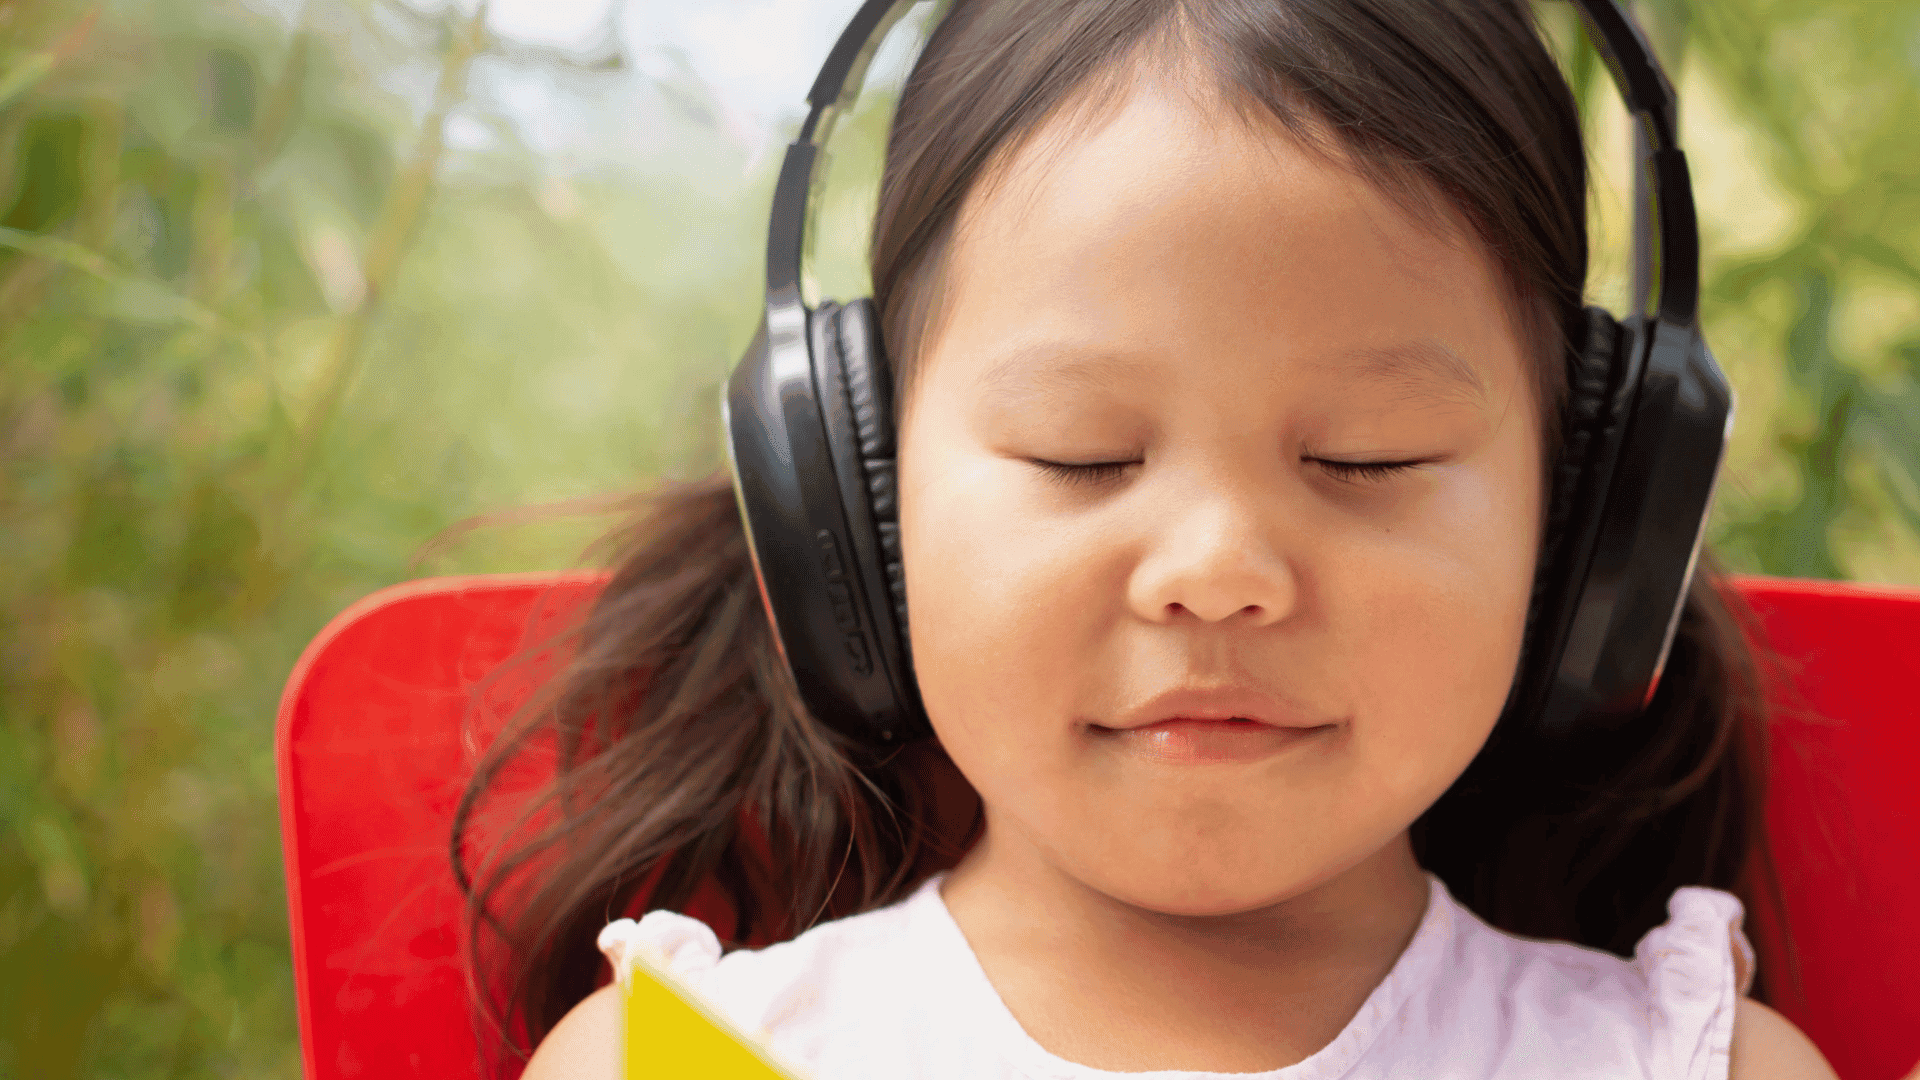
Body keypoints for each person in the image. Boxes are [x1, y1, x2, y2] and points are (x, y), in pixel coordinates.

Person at [460, 1, 1842, 1076]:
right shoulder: (685, 1063)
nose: (1219, 575)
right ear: (853, 501)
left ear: (1591, 519)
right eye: (1084, 454)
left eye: (1366, 458)